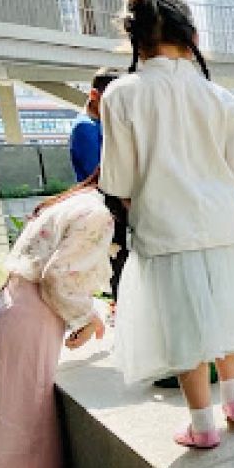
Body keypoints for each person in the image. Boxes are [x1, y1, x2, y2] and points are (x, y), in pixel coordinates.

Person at [100, 0, 234, 450]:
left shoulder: (122, 94)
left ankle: (202, 426)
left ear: (134, 40)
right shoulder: (218, 96)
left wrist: (144, 214)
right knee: (224, 314)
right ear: (192, 35)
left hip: (164, 227)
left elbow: (119, 181)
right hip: (222, 225)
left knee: (183, 327)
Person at [0, 172, 114, 468]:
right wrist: (89, 317)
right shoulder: (97, 213)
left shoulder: (72, 201)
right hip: (29, 316)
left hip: (7, 307)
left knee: (1, 413)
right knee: (19, 416)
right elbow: (59, 276)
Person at [68, 68, 130, 299]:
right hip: (106, 207)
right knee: (118, 266)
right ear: (94, 95)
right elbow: (99, 176)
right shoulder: (85, 128)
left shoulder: (97, 125)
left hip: (111, 205)